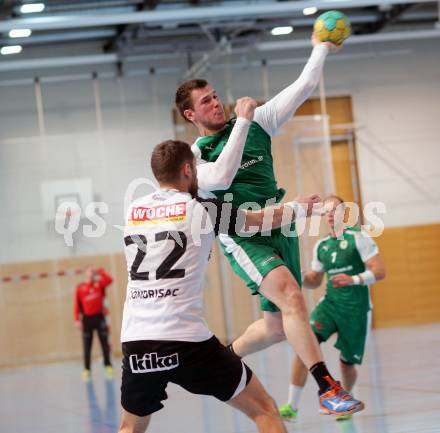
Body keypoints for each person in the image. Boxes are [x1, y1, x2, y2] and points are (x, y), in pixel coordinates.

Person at [175, 33, 364, 415]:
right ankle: (327, 389)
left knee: (276, 328)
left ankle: (223, 359)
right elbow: (223, 178)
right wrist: (243, 121)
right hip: (242, 235)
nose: (215, 103)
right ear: (190, 115)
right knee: (293, 296)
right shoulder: (197, 156)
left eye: (214, 95)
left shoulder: (260, 122)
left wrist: (321, 47)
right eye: (205, 101)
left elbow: (305, 85)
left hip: (280, 227)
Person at [118, 137, 321, 433]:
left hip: (137, 338)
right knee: (265, 410)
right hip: (186, 339)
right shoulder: (201, 208)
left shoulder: (133, 210)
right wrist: (299, 209)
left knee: (129, 428)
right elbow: (256, 221)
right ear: (188, 170)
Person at [279, 195, 386, 422]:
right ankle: (291, 406)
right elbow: (315, 280)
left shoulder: (359, 238)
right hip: (330, 305)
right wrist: (295, 274)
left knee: (347, 364)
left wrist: (354, 279)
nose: (329, 214)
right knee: (304, 344)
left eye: (334, 210)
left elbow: (379, 271)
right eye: (325, 211)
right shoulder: (322, 246)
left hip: (356, 309)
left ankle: (345, 400)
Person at [74, 266, 114, 381]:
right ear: (85, 273)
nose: (91, 274)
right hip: (87, 319)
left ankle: (108, 366)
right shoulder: (80, 288)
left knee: (104, 344)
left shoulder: (99, 285)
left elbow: (110, 280)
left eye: (93, 271)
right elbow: (76, 305)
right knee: (87, 346)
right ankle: (87, 369)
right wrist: (77, 319)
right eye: (89, 271)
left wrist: (100, 271)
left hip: (99, 318)